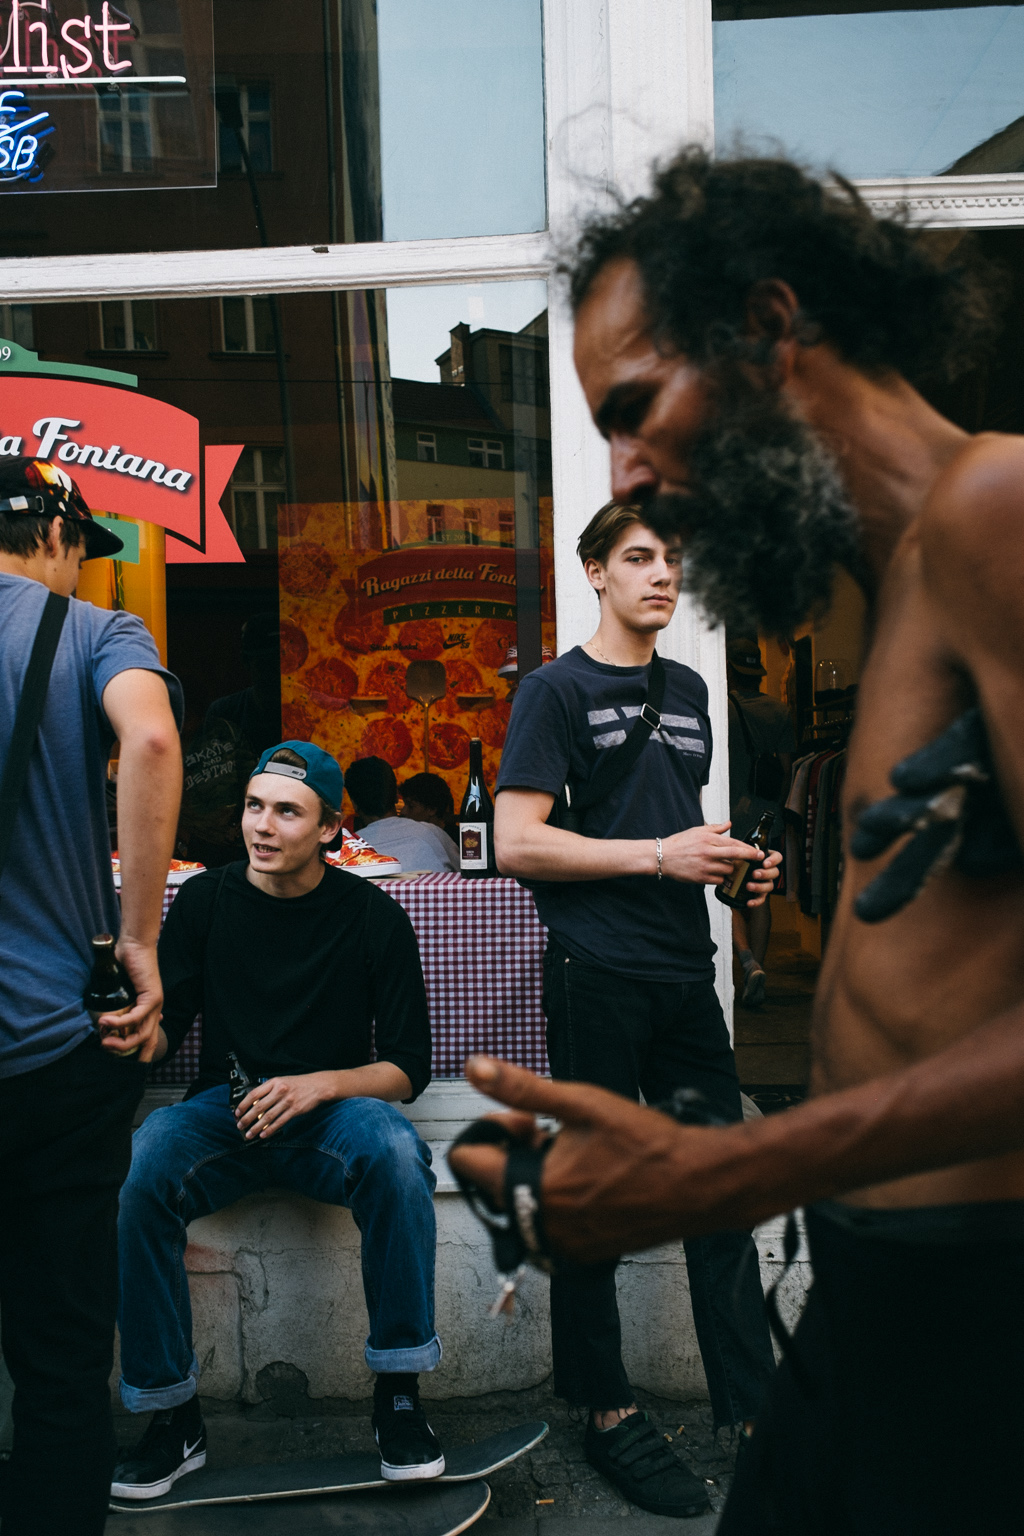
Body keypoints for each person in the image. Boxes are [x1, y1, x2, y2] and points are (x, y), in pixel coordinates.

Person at [449, 149, 1024, 1533]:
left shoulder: (995, 511)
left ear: (768, 327)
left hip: (978, 1308)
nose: (629, 479)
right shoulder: (902, 576)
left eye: (635, 409)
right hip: (876, 1282)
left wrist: (728, 1168)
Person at [491, 497, 781, 1520]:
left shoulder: (691, 690)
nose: (662, 575)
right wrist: (661, 854)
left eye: (673, 561)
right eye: (640, 557)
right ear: (595, 572)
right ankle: (607, 1410)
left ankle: (754, 1415)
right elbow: (515, 842)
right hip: (595, 974)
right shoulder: (554, 691)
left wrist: (732, 873)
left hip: (683, 975)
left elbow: (669, 827)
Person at [112, 740, 443, 1500]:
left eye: (287, 812)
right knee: (139, 1170)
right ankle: (171, 1417)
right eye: (254, 807)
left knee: (397, 1158)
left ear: (329, 829)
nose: (262, 826)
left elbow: (407, 1068)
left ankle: (399, 1395)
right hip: (224, 1114)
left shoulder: (372, 916)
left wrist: (319, 1085)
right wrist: (131, 1029)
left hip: (332, 1119)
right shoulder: (206, 901)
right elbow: (166, 1031)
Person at [0, 457, 183, 1536]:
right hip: (51, 1053)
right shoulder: (93, 633)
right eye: (85, 552)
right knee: (62, 1357)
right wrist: (141, 940)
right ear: (59, 534)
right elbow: (151, 738)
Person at [725, 637, 795, 1007]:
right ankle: (760, 969)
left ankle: (747, 962)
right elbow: (785, 769)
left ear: (732, 671)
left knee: (728, 892)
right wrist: (777, 810)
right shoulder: (780, 711)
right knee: (759, 893)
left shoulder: (723, 708)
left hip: (731, 813)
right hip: (767, 816)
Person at [347, 755, 458, 872]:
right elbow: (466, 872)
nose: (404, 811)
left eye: (411, 805)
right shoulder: (432, 834)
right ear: (396, 796)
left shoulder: (347, 852)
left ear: (354, 804)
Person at [400, 770, 459, 844]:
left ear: (431, 809)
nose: (403, 811)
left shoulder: (459, 840)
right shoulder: (406, 835)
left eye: (411, 806)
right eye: (405, 804)